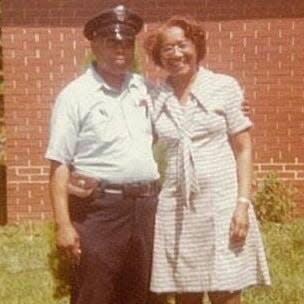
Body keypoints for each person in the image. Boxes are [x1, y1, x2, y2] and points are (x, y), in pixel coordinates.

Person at [143, 16, 271, 304]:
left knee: (225, 290)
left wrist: (242, 204)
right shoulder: (154, 96)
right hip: (177, 209)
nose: (176, 54)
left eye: (182, 45)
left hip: (221, 205)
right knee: (186, 294)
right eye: (167, 49)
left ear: (197, 46)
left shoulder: (224, 87)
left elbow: (243, 148)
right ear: (158, 56)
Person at [45, 5, 161, 304]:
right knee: (94, 293)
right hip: (100, 211)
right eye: (112, 42)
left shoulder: (144, 89)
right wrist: (63, 225)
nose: (120, 49)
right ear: (94, 45)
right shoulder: (75, 95)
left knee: (143, 294)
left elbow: (179, 111)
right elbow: (59, 162)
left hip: (147, 208)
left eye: (126, 42)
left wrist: (231, 108)